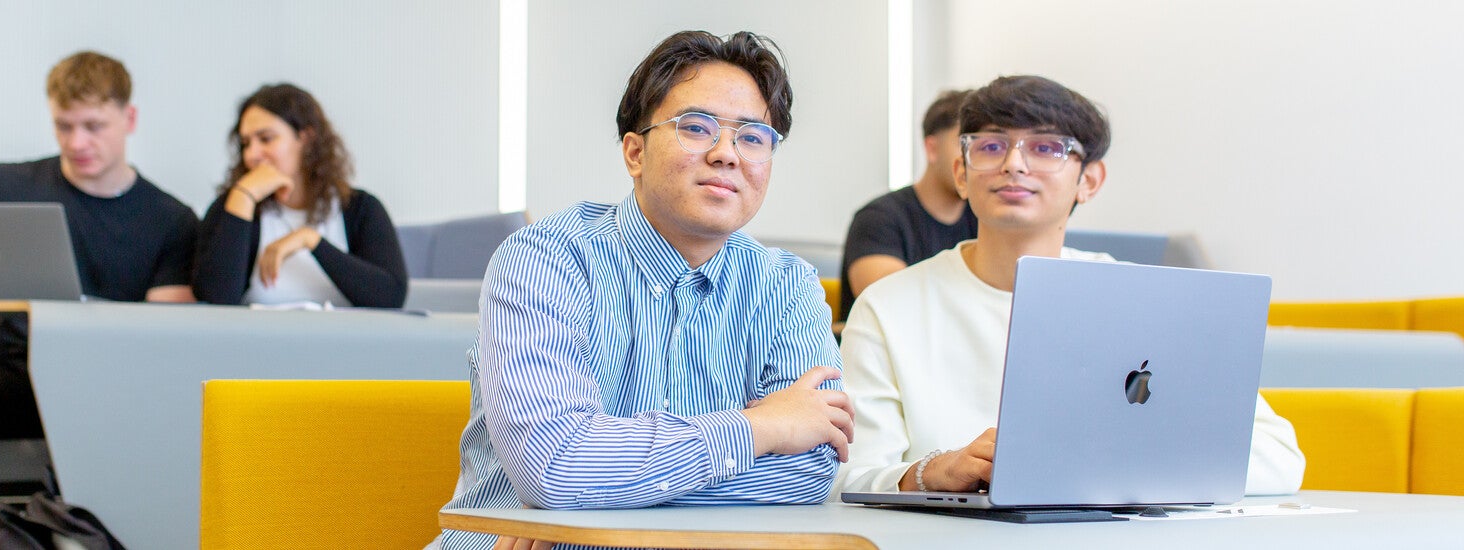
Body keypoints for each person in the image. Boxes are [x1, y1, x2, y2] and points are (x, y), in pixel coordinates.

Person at [433, 30, 855, 550]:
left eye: (752, 137)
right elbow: (554, 465)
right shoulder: (545, 259)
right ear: (634, 152)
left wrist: (583, 500)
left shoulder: (787, 286)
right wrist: (758, 429)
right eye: (697, 128)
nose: (727, 153)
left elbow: (810, 472)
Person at [836, 75, 1305, 496]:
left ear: (1090, 181)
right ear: (961, 173)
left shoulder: (1142, 299)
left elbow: (1277, 458)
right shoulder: (889, 306)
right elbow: (847, 478)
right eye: (991, 147)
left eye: (1046, 148)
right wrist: (931, 473)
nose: (1014, 164)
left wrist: (1103, 464)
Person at [0, 51, 199, 550]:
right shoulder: (4, 185)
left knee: (133, 426)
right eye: (63, 126)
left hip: (106, 386)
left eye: (93, 126)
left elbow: (161, 336)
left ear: (129, 119)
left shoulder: (171, 219)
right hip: (13, 373)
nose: (76, 142)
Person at [192, 83, 407, 308]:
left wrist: (310, 240)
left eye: (266, 139)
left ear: (306, 138)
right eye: (246, 144)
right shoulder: (233, 206)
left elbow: (390, 296)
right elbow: (215, 299)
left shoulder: (361, 209)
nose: (252, 155)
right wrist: (244, 196)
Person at [837, 90, 977, 319]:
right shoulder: (878, 219)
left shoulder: (985, 219)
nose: (972, 159)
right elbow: (894, 309)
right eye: (965, 145)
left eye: (986, 147)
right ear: (932, 149)